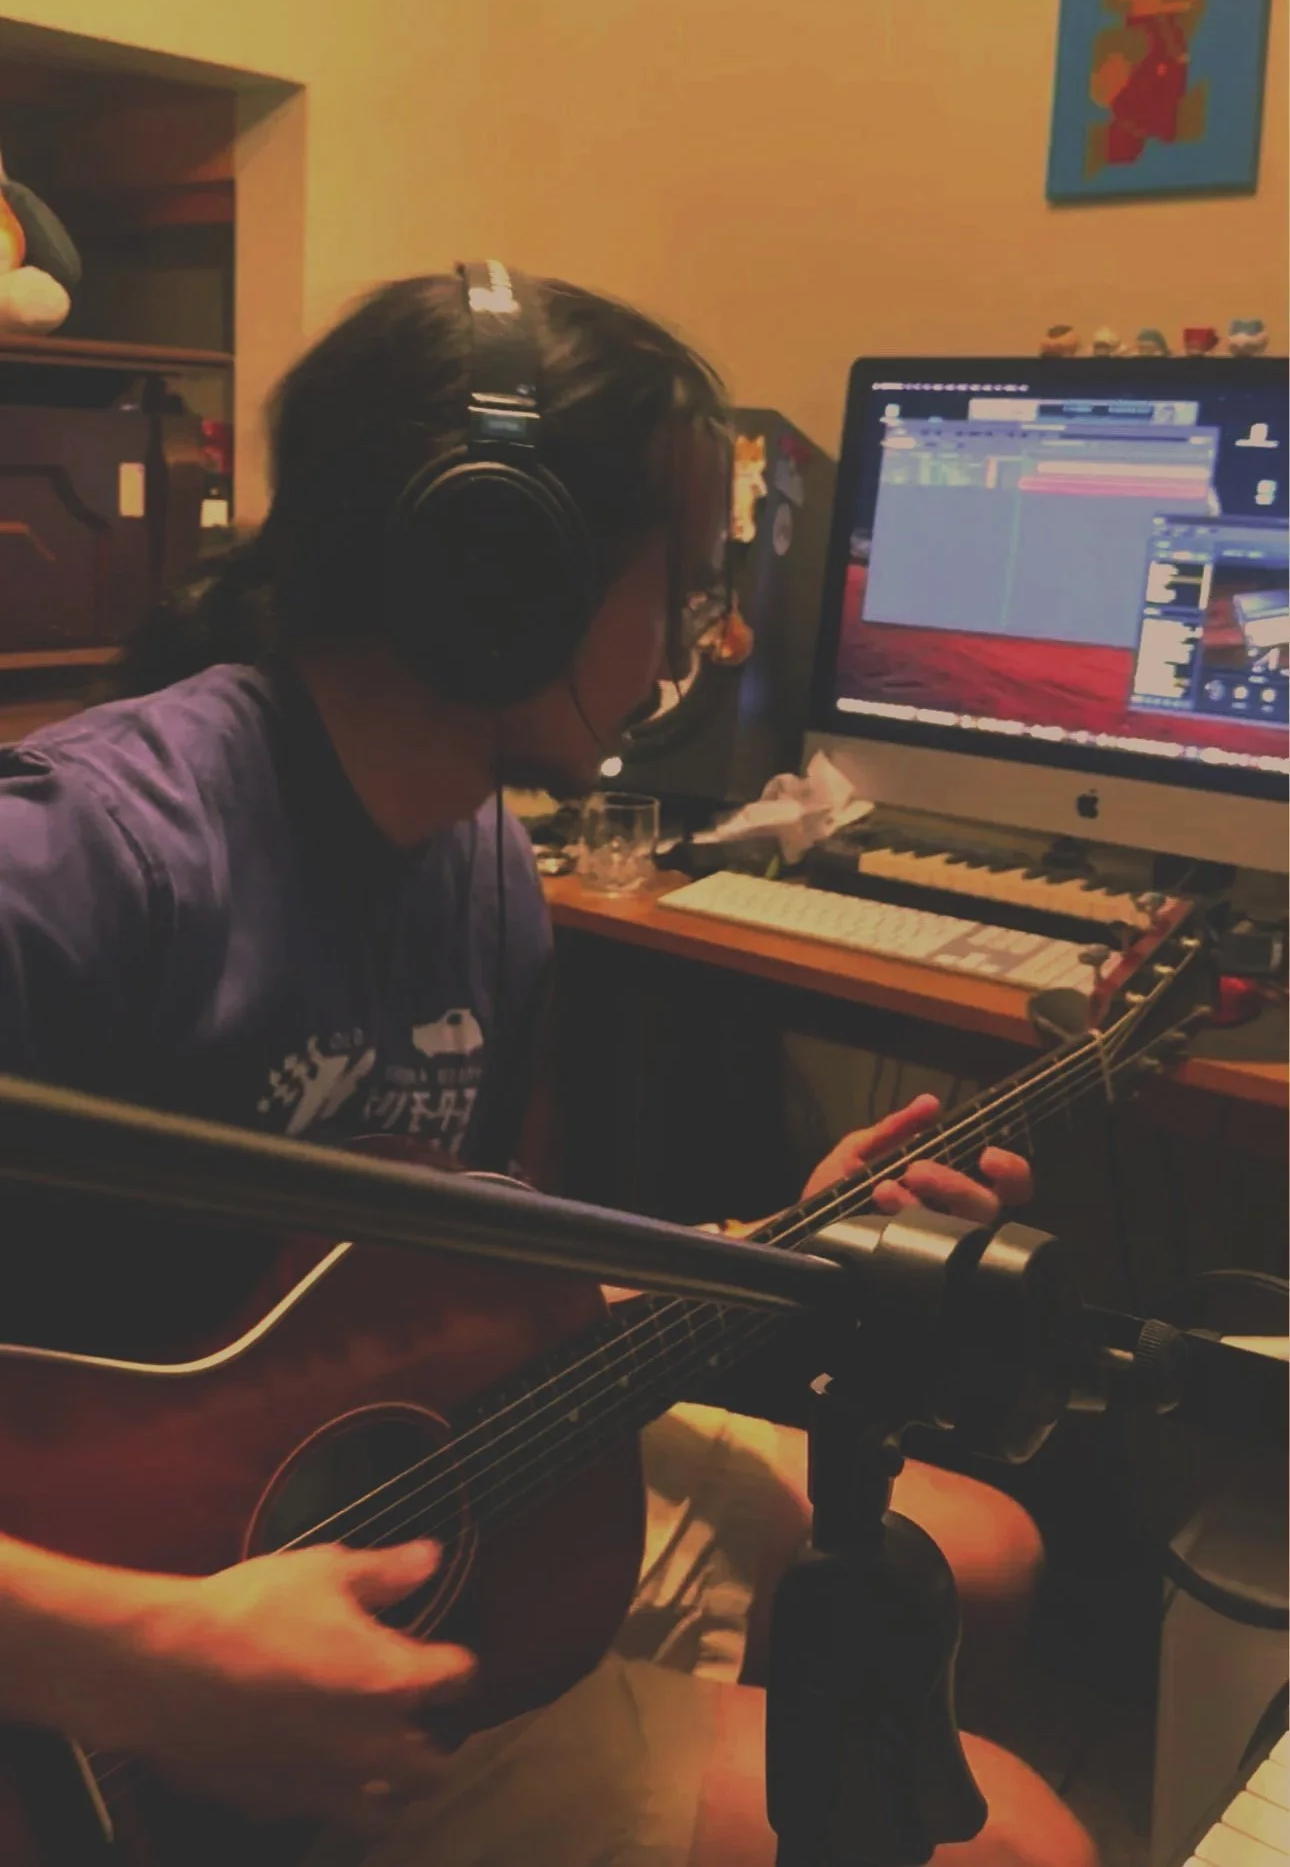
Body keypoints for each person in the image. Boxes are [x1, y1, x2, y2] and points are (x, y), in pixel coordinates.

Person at [0, 270, 1095, 1867]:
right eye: (682, 584)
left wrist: (775, 1252)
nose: (695, 642)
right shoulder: (89, 865)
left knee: (975, 1549)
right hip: (105, 1667)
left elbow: (446, 1310)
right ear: (498, 580)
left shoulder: (482, 869)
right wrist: (144, 1661)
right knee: (1026, 1850)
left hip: (365, 1511)